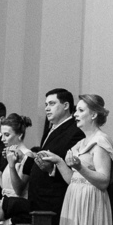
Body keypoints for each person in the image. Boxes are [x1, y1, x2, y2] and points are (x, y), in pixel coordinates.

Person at [39, 94, 113, 225]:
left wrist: (79, 166)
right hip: (73, 199)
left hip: (91, 202)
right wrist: (57, 161)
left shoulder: (100, 141)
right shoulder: (79, 144)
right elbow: (73, 180)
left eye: (80, 110)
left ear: (93, 115)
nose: (75, 114)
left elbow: (104, 180)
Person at [22, 88, 85, 217]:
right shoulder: (50, 129)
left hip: (55, 200)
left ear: (66, 105)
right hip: (39, 198)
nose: (46, 108)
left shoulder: (75, 131)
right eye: (46, 105)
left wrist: (52, 169)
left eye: (52, 104)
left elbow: (74, 168)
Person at [0, 112, 34, 199]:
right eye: (2, 135)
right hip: (7, 204)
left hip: (18, 206)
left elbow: (18, 190)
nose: (2, 139)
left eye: (7, 135)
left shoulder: (28, 156)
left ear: (20, 135)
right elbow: (7, 189)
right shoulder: (11, 154)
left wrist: (12, 165)